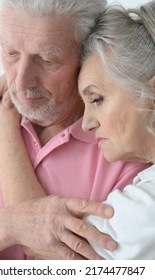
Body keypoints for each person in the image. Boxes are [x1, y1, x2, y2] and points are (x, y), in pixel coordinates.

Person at [0, 0, 148, 260]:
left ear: (86, 54)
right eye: (11, 52)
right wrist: (3, 227)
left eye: (47, 59)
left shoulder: (128, 145)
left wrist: (2, 121)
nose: (22, 81)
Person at [78, 1, 155, 259]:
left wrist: (5, 118)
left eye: (96, 99)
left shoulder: (146, 209)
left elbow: (42, 257)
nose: (86, 123)